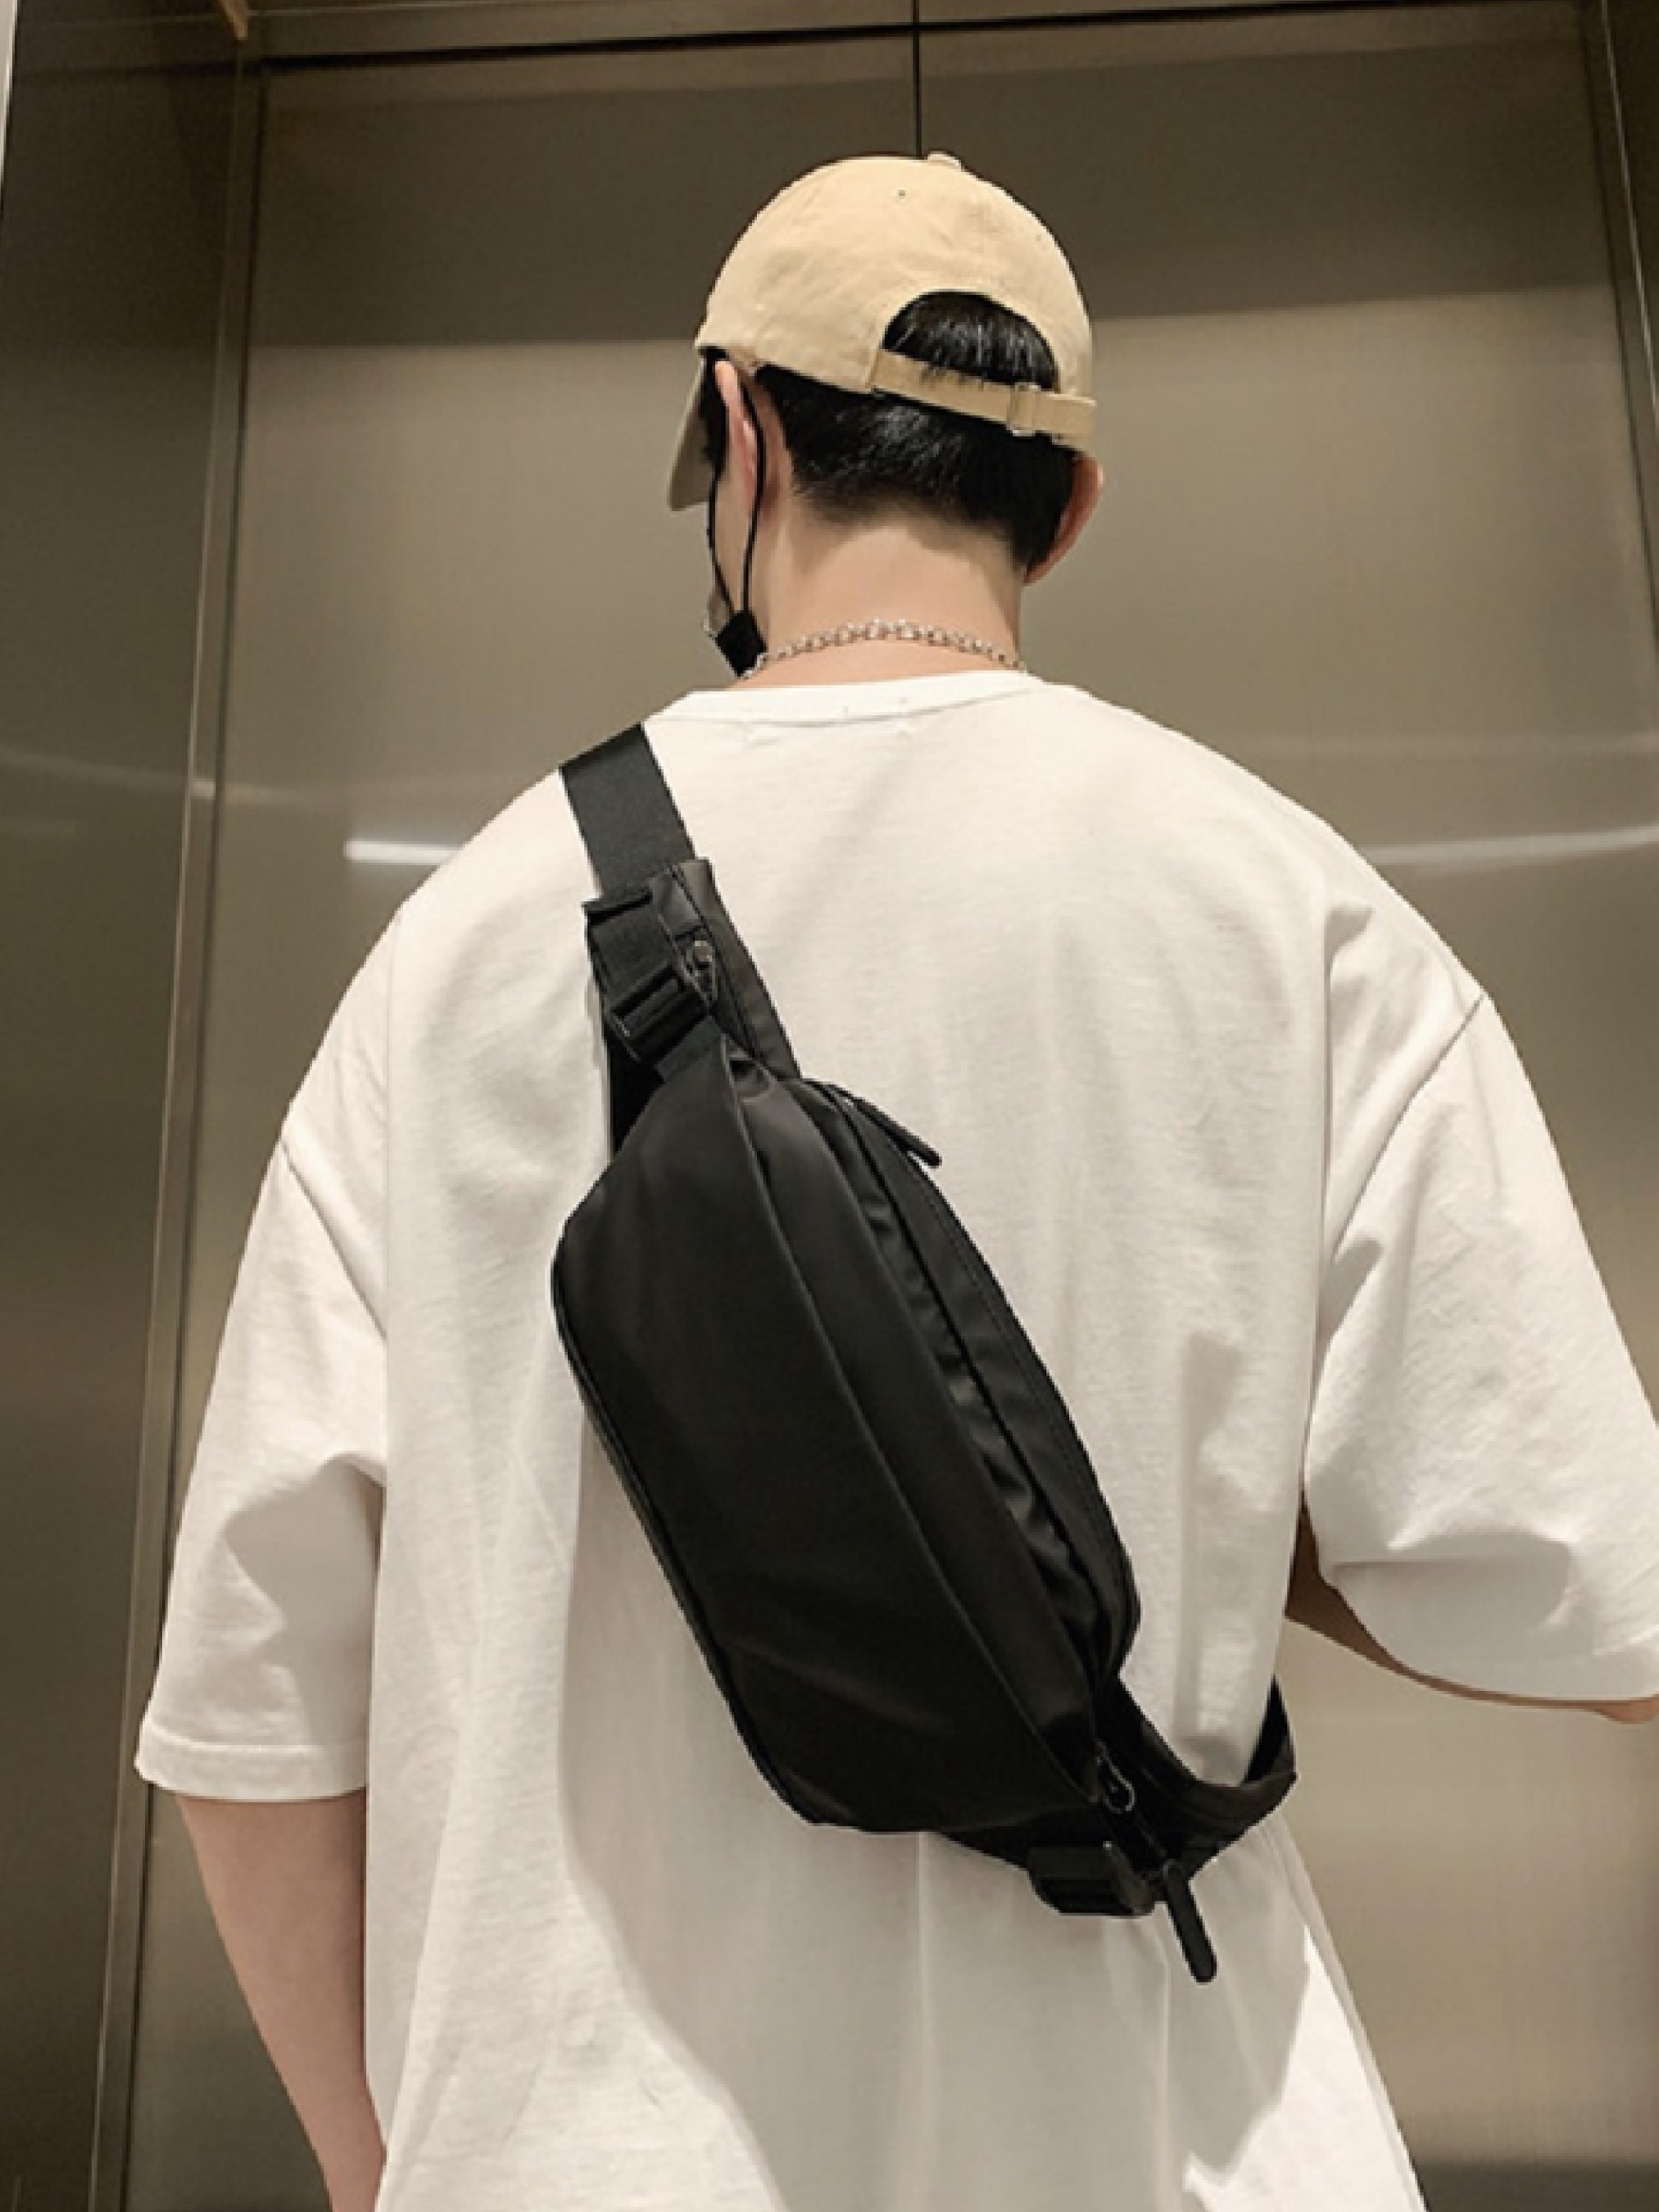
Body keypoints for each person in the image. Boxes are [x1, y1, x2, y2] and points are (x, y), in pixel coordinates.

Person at [134, 152, 1659, 2212]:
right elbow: (1597, 1610)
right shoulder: (1295, 913)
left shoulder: (465, 941)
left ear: (739, 428)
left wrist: (378, 2167)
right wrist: (1197, 1492)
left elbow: (255, 1713)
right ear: (1070, 502)